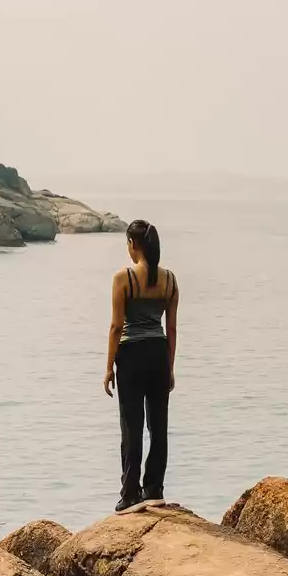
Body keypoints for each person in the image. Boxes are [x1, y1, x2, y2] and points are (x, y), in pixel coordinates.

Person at [103, 218, 179, 512]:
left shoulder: (123, 278)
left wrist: (109, 367)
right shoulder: (170, 280)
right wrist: (170, 366)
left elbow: (115, 326)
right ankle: (154, 489)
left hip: (131, 354)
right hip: (159, 354)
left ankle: (130, 494)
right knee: (158, 426)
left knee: (131, 426)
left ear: (133, 245)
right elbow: (171, 329)